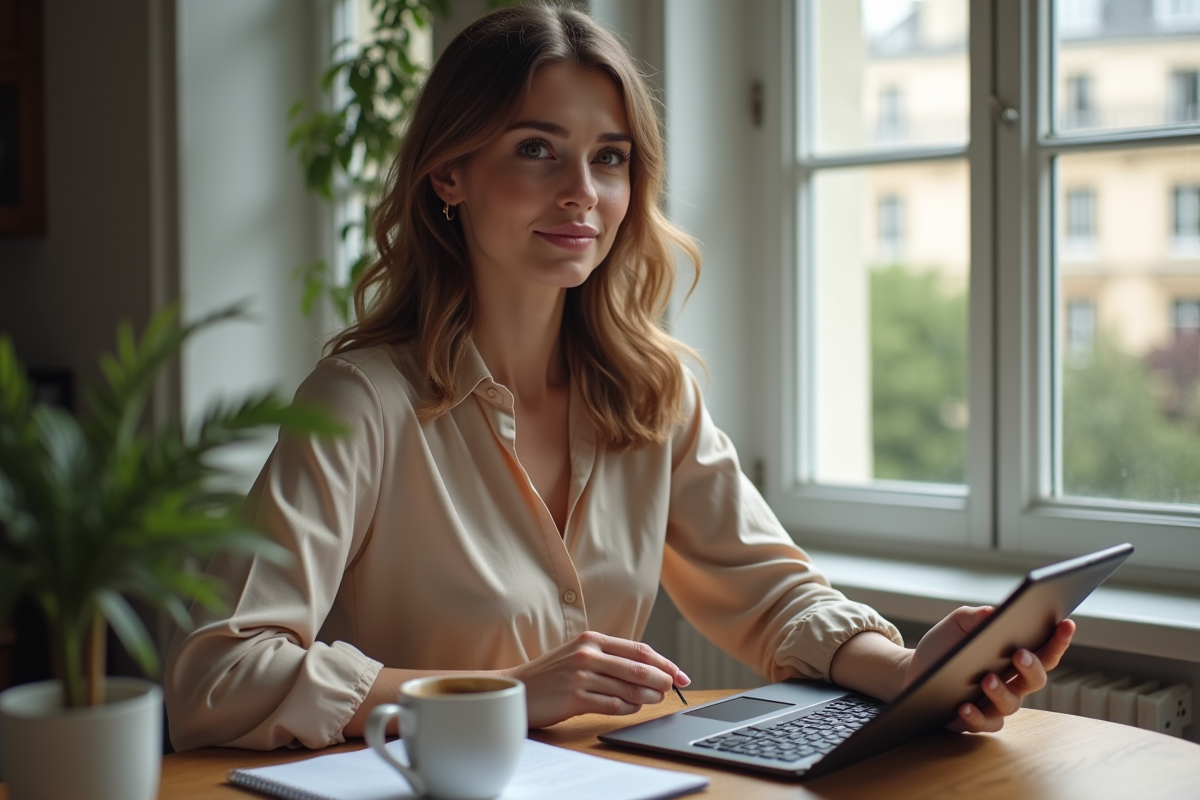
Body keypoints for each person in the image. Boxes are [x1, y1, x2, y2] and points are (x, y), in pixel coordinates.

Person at [164, 3, 1073, 752]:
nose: (582, 193)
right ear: (448, 175)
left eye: (609, 157)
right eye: (536, 148)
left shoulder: (650, 392)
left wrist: (912, 672)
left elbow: (772, 595)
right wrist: (501, 693)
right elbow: (216, 678)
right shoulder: (363, 402)